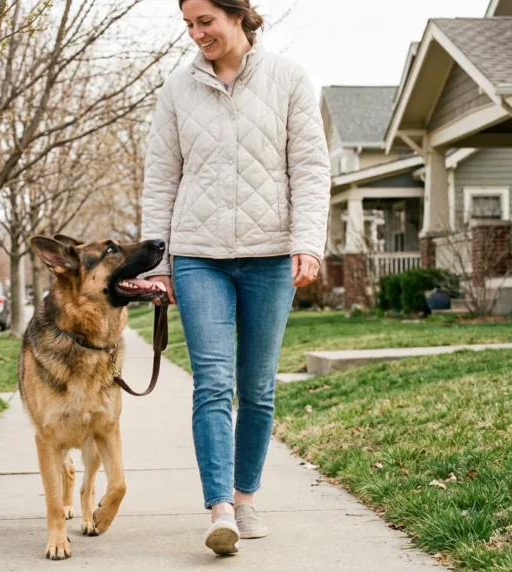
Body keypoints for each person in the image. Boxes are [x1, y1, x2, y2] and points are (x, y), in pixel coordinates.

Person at [139, 0, 331, 556]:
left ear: (239, 15)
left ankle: (246, 500)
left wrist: (307, 243)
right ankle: (219, 507)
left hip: (271, 254)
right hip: (198, 256)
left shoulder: (289, 79)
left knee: (257, 387)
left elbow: (311, 168)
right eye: (188, 25)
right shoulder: (177, 90)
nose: (197, 34)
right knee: (213, 382)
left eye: (206, 21)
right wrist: (160, 262)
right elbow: (161, 179)